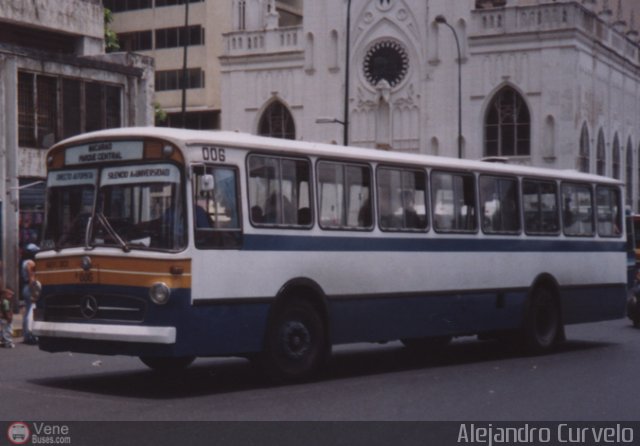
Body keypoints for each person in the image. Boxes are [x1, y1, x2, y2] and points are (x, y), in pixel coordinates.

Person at [21, 244, 39, 345]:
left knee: (27, 310)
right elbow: (31, 278)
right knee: (32, 310)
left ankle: (26, 334)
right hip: (29, 287)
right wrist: (34, 291)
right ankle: (30, 334)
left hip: (25, 287)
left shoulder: (24, 262)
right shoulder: (30, 263)